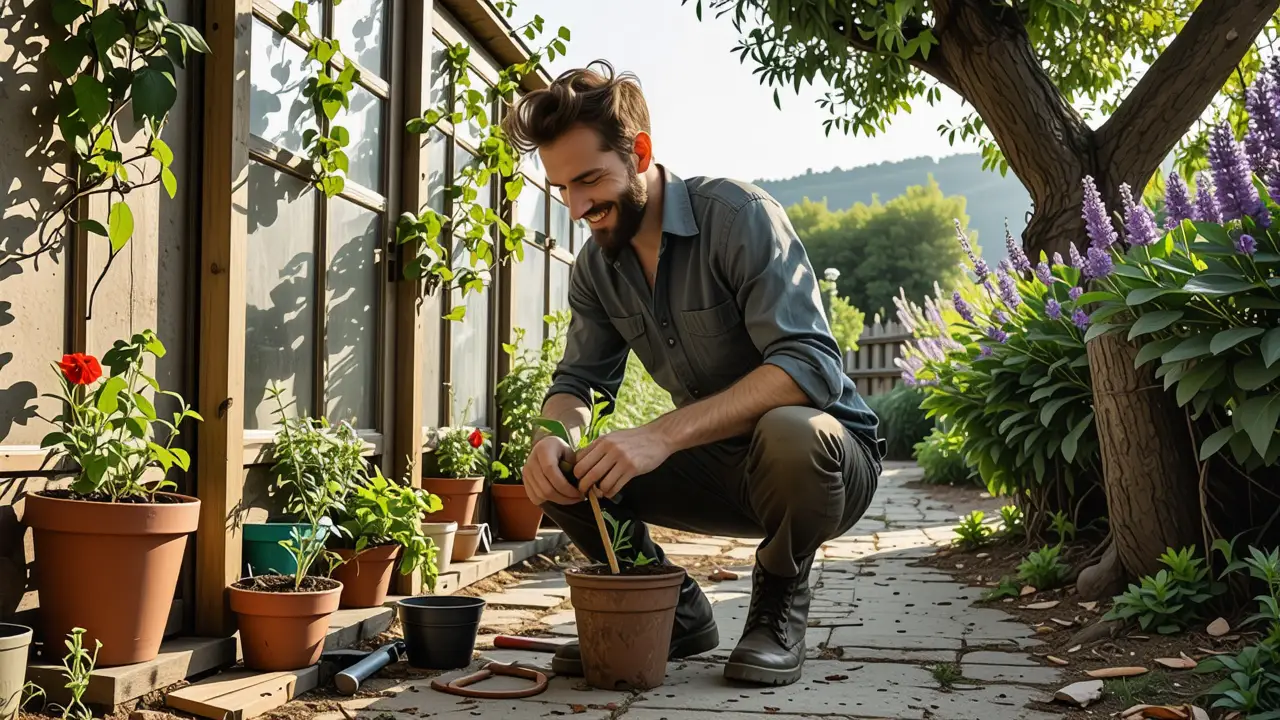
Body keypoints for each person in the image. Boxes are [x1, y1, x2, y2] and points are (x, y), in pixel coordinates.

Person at [501, 60, 884, 687]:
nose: (576, 206)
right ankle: (671, 610)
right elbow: (578, 384)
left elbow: (807, 365)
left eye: (590, 180)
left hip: (823, 466)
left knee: (791, 429)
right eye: (562, 188)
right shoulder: (597, 268)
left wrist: (659, 436)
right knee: (569, 467)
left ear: (640, 152)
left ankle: (778, 607)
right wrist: (551, 439)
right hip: (715, 465)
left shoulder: (739, 217)